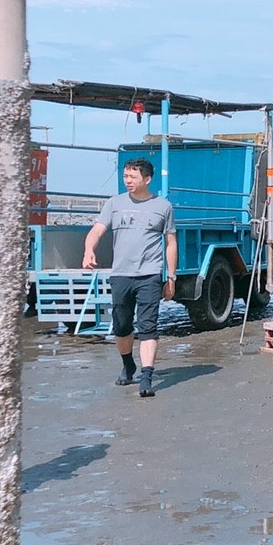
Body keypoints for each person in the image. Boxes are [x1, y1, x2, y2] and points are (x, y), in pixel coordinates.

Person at [83, 157, 177, 398]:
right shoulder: (114, 204)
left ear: (147, 179)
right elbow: (97, 230)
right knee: (122, 326)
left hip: (149, 275)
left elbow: (170, 243)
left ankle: (146, 375)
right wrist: (89, 250)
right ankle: (128, 364)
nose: (128, 181)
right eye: (125, 176)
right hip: (121, 275)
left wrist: (171, 277)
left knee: (148, 327)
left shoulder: (163, 206)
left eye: (133, 177)